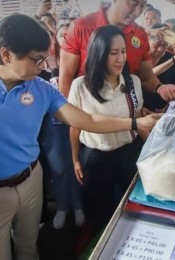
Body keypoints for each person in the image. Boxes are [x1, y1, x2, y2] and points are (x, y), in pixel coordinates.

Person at [0, 14, 159, 260]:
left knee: (28, 245)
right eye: (37, 59)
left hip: (31, 182)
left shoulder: (41, 88)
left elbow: (86, 121)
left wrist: (135, 122)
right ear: (6, 54)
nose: (43, 67)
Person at [69, 25, 149, 235]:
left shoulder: (133, 83)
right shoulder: (80, 86)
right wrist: (76, 159)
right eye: (113, 53)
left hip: (129, 152)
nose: (120, 59)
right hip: (97, 157)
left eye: (123, 51)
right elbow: (75, 127)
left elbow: (139, 119)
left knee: (131, 203)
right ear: (99, 54)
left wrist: (152, 151)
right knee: (97, 207)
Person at [59, 0, 175, 104]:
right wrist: (73, 118)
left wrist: (160, 87)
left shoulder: (140, 35)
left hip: (125, 114)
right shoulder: (81, 27)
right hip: (87, 112)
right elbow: (66, 78)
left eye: (142, 5)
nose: (137, 12)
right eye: (133, 3)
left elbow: (146, 76)